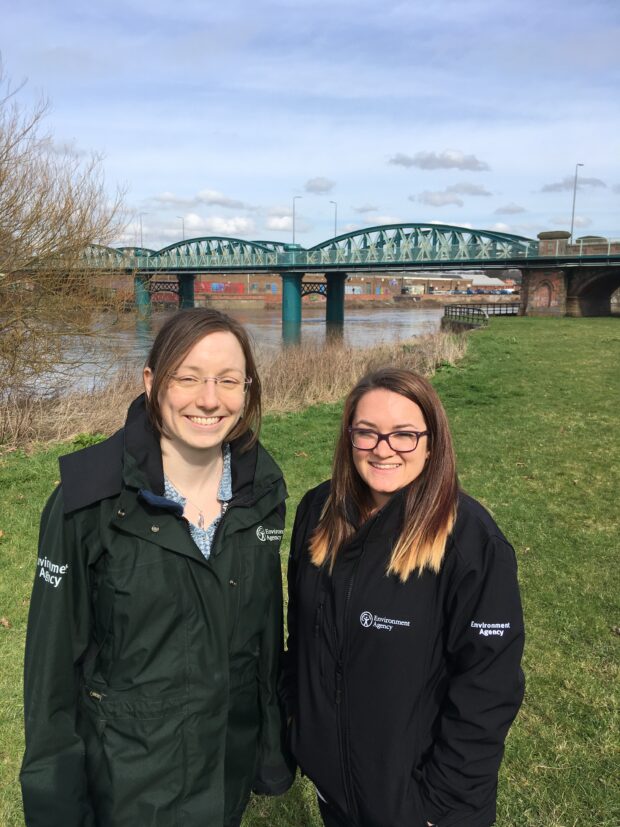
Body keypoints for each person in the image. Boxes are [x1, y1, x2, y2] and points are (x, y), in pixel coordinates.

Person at [21, 308, 293, 827]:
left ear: (247, 388)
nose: (209, 399)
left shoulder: (263, 490)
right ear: (151, 382)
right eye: (186, 378)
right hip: (128, 788)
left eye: (227, 380)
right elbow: (51, 677)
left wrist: (268, 752)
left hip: (223, 777)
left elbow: (263, 634)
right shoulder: (88, 502)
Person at [282, 367, 525, 827]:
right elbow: (302, 635)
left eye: (404, 435)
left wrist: (441, 804)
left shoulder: (470, 541)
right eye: (367, 433)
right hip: (337, 793)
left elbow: (489, 686)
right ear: (348, 437)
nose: (383, 449)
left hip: (423, 806)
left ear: (432, 442)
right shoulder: (317, 511)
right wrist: (301, 725)